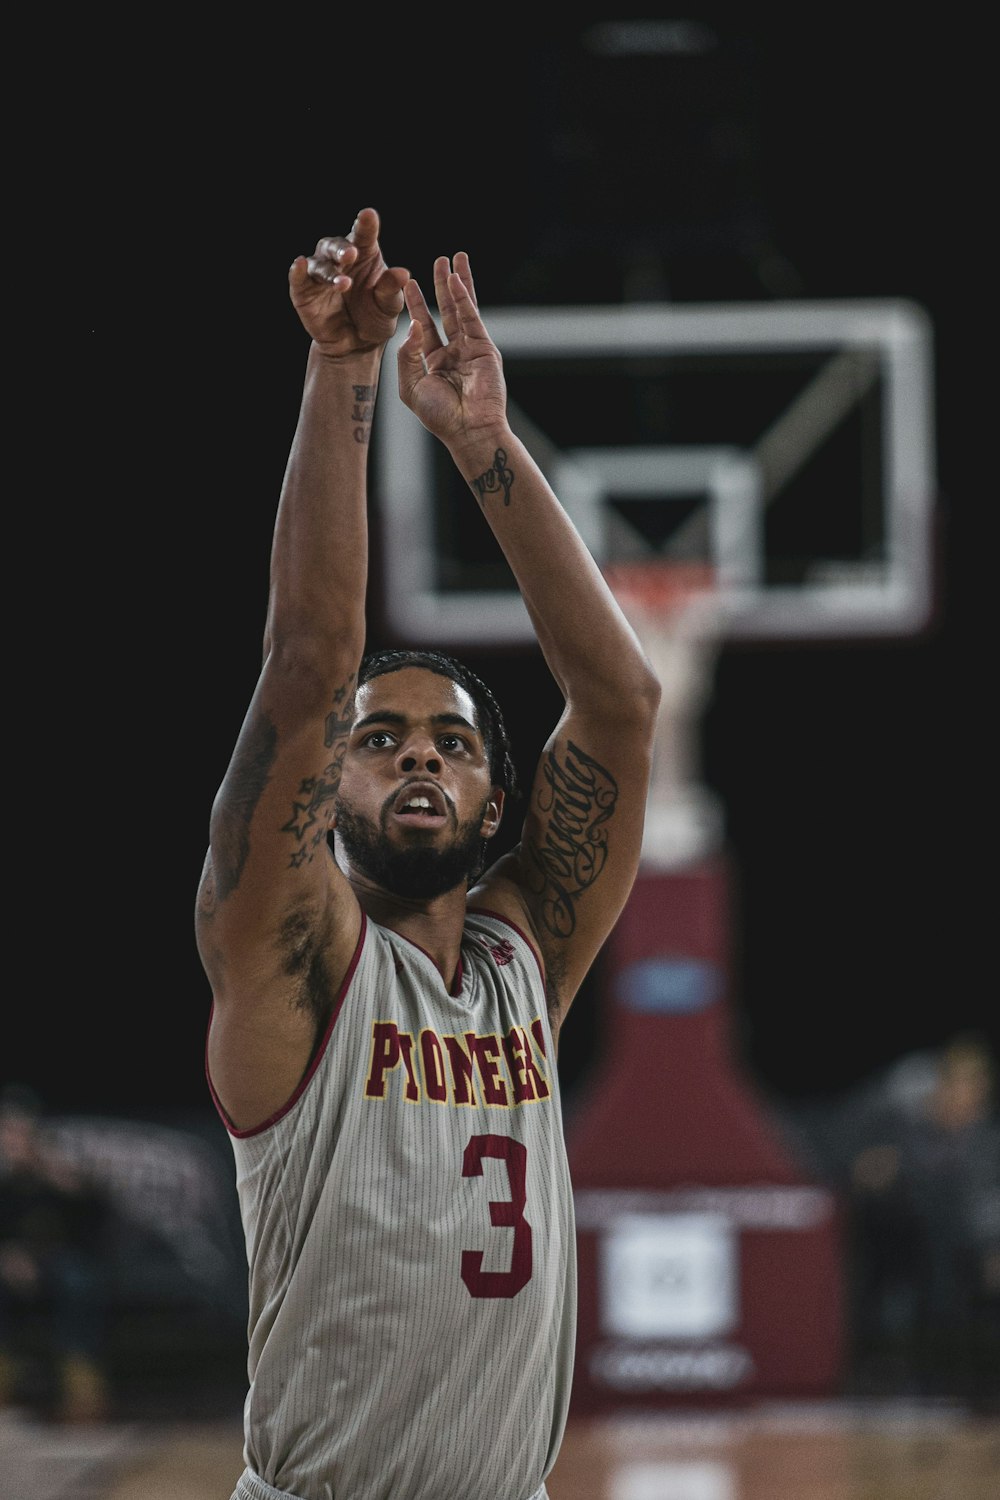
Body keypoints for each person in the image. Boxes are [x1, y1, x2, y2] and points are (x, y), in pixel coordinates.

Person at [195, 207, 660, 1500]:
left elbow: (618, 707)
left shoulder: (525, 962)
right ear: (324, 790)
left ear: (497, 796)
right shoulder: (287, 960)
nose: (414, 756)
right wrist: (345, 369)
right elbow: (307, 666)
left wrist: (484, 446)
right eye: (380, 740)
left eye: (449, 745)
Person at [0, 1084, 112, 1422]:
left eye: (21, 1130)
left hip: (60, 1261)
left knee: (78, 1281)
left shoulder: (57, 1171)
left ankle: (81, 1388)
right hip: (10, 1265)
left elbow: (93, 1222)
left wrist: (54, 1174)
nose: (15, 1139)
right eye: (8, 1130)